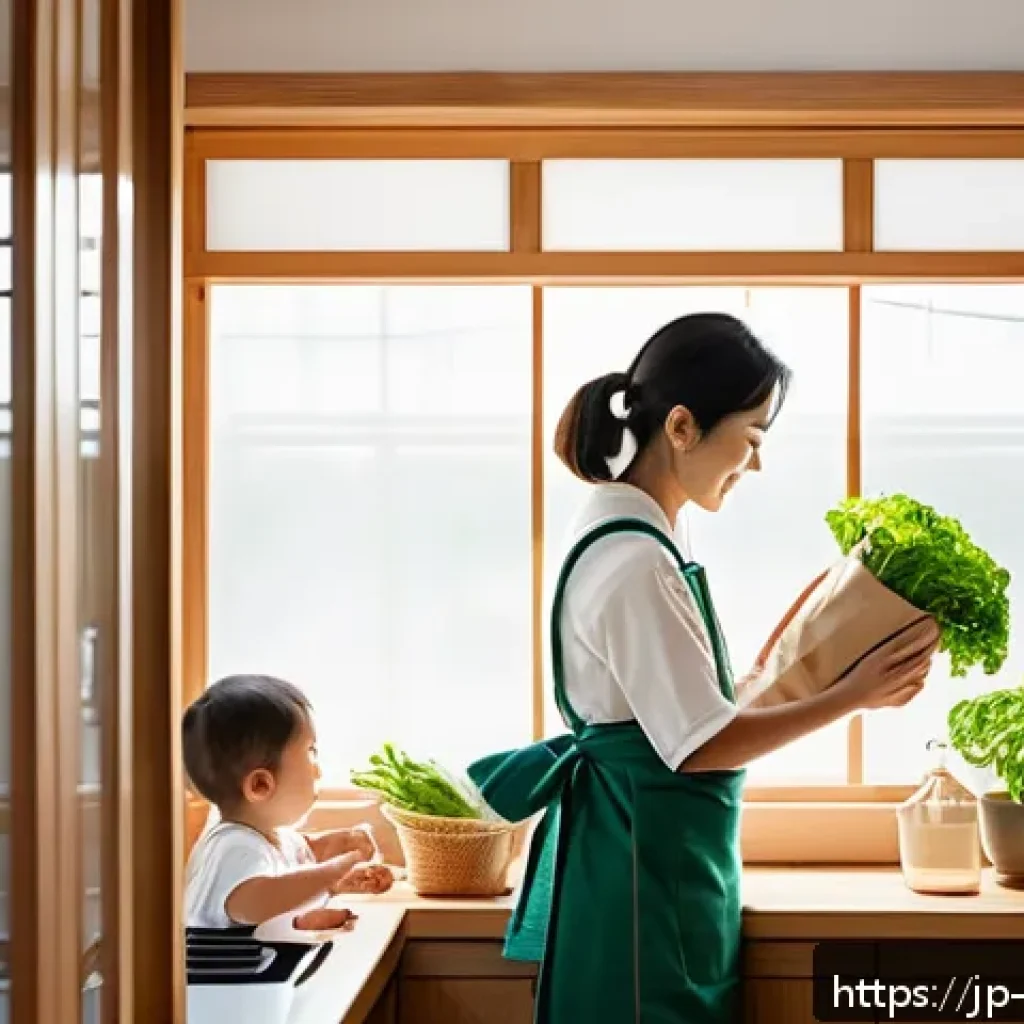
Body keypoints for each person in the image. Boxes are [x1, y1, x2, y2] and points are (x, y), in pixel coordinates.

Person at [467, 313, 940, 1024]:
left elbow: (693, 706)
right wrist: (851, 696)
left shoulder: (641, 532)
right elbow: (701, 744)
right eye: (751, 439)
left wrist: (820, 651)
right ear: (682, 428)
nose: (755, 464)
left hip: (662, 873)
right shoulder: (634, 561)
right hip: (640, 881)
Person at [183, 674, 394, 931]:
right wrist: (330, 875)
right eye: (310, 752)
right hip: (226, 969)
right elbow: (257, 903)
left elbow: (299, 861)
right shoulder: (233, 845)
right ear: (260, 785)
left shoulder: (273, 836)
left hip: (259, 962)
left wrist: (341, 869)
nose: (318, 770)